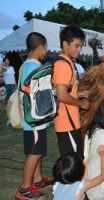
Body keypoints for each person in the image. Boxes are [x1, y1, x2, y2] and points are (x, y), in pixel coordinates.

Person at [15, 32, 54, 200]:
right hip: (34, 121)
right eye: (45, 48)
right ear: (40, 47)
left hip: (33, 120)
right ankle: (24, 189)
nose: (46, 51)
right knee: (35, 153)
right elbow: (32, 92)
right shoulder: (33, 67)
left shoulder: (28, 64)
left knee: (37, 150)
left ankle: (37, 181)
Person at [52, 25, 90, 159]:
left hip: (68, 121)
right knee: (74, 161)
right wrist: (81, 103)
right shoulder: (63, 65)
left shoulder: (67, 63)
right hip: (67, 122)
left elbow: (62, 91)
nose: (79, 50)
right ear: (64, 44)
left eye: (81, 46)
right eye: (76, 45)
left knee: (73, 160)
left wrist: (79, 94)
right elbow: (62, 95)